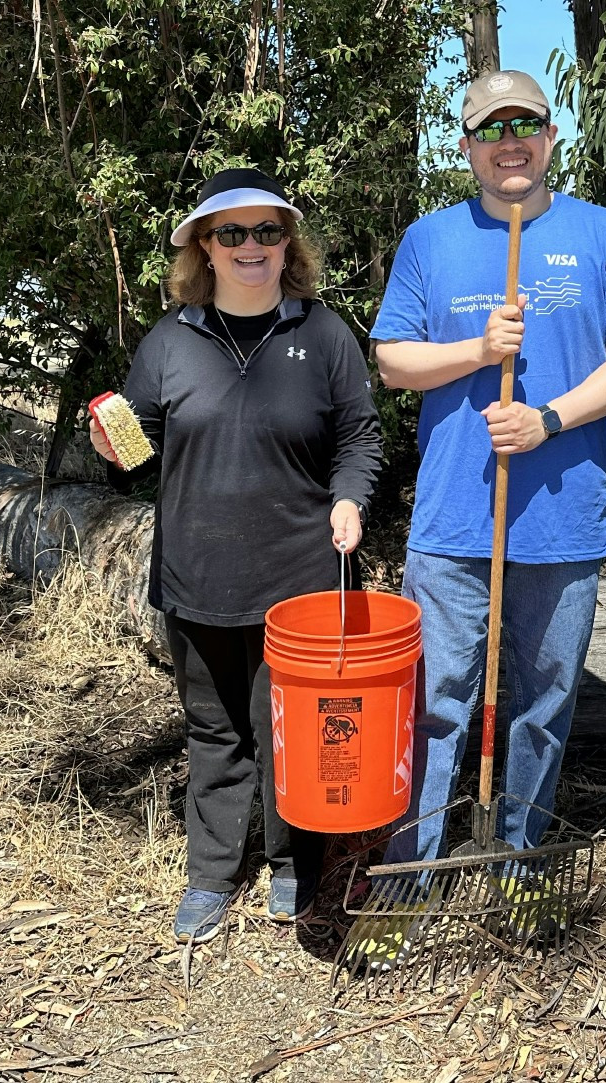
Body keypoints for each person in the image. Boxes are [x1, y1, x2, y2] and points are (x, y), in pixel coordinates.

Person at [362, 70, 606, 957]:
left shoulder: (603, 236)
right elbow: (391, 362)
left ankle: (521, 867)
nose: (511, 141)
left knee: (543, 703)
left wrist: (549, 417)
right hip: (453, 520)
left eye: (526, 123)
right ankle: (407, 880)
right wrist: (477, 349)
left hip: (562, 520)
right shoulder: (430, 240)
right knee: (434, 703)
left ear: (552, 135)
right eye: (493, 129)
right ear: (467, 147)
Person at [91, 167, 382, 944]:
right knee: (215, 727)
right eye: (232, 233)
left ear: (289, 244)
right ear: (203, 249)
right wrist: (112, 448)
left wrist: (350, 497)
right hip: (197, 576)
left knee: (290, 726)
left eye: (268, 230)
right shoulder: (169, 341)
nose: (252, 246)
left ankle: (293, 863)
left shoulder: (323, 335)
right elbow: (133, 450)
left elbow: (359, 436)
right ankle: (213, 872)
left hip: (301, 582)